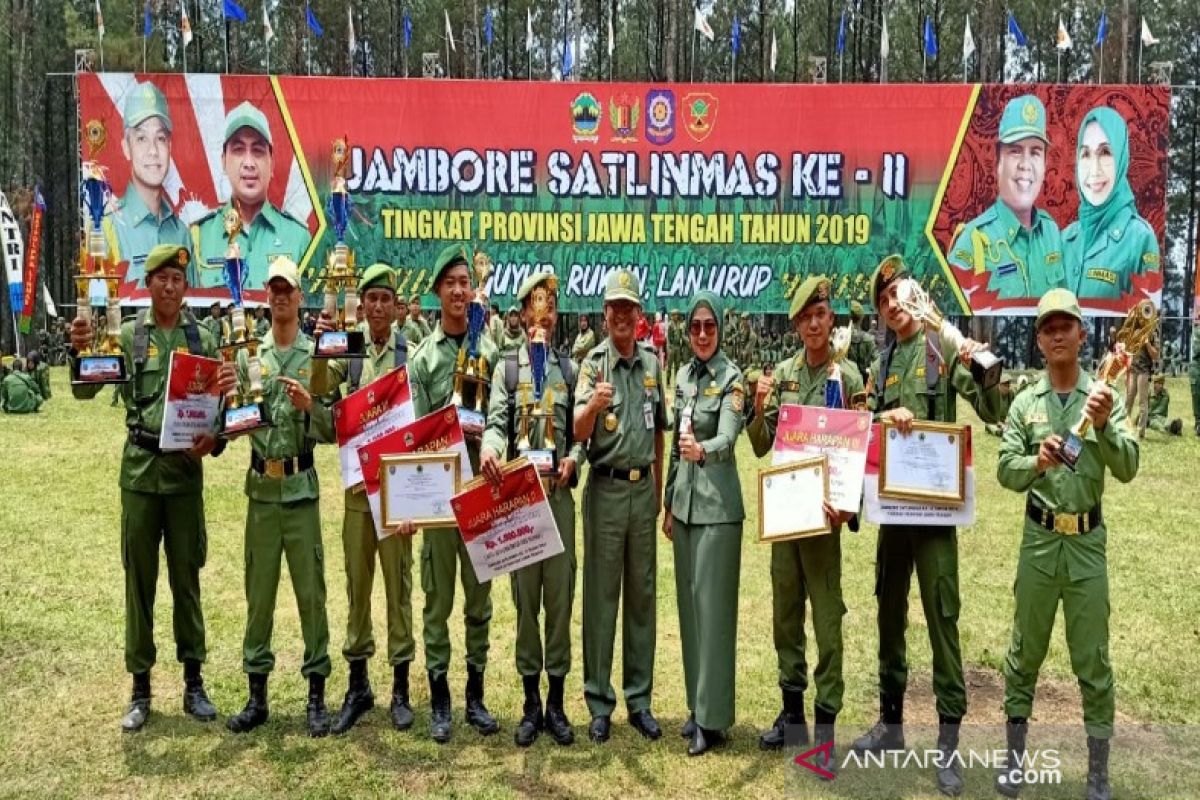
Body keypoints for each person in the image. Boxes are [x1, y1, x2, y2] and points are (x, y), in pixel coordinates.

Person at [850, 254, 1004, 796]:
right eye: (884, 302)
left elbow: (989, 406)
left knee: (942, 617)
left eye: (898, 295)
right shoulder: (883, 360)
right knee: (888, 613)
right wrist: (880, 418)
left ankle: (948, 746)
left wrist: (974, 356)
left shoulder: (941, 345)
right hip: (894, 515)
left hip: (937, 515)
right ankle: (891, 726)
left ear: (914, 293)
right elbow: (862, 425)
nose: (892, 306)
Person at [69, 244, 222, 732]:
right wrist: (80, 349)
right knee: (139, 583)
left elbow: (226, 405)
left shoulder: (204, 338)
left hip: (183, 478)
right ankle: (140, 688)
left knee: (187, 580)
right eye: (162, 279)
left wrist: (214, 439)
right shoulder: (129, 335)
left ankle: (194, 684)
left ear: (185, 285)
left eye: (178, 279)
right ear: (148, 284)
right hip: (139, 474)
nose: (171, 287)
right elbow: (84, 388)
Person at [995, 288, 1138, 800]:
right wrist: (1037, 461)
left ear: (1081, 334)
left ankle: (1098, 772)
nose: (1057, 335)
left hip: (1086, 545)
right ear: (1038, 340)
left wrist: (1102, 427)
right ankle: (1014, 761)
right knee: (1023, 655)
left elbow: (1128, 468)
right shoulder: (1025, 402)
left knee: (1093, 660)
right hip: (1038, 541)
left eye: (1066, 326)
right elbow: (1004, 469)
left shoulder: (1105, 397)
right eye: (1048, 328)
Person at [746, 277, 863, 774]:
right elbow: (759, 443)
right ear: (796, 326)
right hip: (788, 515)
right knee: (785, 615)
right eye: (804, 319)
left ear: (829, 318)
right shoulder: (786, 375)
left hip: (825, 522)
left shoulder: (849, 376)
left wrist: (849, 506)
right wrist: (758, 405)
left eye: (820, 315)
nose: (813, 325)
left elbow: (860, 448)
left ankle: (826, 729)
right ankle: (792, 717)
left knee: (828, 621)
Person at [222, 257, 334, 737]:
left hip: (302, 489)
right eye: (275, 289)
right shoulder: (250, 353)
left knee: (312, 595)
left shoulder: (316, 356)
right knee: (259, 594)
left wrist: (311, 408)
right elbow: (232, 420)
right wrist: (229, 398)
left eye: (288, 288)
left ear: (300, 294)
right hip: (263, 491)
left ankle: (315, 695)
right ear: (266, 297)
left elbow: (333, 426)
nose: (282, 296)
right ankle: (257, 695)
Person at [401, 243, 500, 743]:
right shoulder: (423, 359)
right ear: (439, 291)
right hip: (441, 496)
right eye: (451, 283)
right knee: (437, 599)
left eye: (466, 282)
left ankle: (475, 695)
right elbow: (416, 434)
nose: (460, 290)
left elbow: (503, 421)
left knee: (479, 601)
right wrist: (413, 504)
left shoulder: (490, 352)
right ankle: (440, 699)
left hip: (482, 490)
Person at [310, 264, 414, 735]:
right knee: (357, 586)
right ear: (362, 304)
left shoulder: (410, 352)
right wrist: (319, 347)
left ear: (395, 306)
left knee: (399, 587)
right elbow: (320, 391)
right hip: (357, 491)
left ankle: (400, 689)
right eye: (369, 298)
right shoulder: (348, 351)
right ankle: (358, 687)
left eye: (384, 299)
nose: (376, 307)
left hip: (396, 492)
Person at [481, 271, 582, 748]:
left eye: (550, 309)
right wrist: (491, 449)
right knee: (526, 606)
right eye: (533, 309)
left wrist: (572, 460)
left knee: (559, 604)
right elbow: (497, 423)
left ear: (555, 315)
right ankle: (529, 703)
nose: (542, 319)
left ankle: (557, 703)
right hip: (521, 502)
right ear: (521, 315)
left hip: (557, 501)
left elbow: (580, 437)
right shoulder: (508, 369)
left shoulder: (570, 369)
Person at [573, 269, 669, 744]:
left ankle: (640, 699)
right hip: (606, 489)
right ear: (605, 314)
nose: (623, 316)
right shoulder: (593, 365)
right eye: (615, 308)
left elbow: (658, 432)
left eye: (630, 308)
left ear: (639, 315)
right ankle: (598, 701)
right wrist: (592, 405)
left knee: (641, 596)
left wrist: (657, 483)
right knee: (601, 597)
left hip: (642, 491)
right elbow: (577, 431)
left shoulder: (652, 364)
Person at [663, 291, 746, 756]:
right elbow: (678, 444)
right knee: (690, 613)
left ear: (719, 329)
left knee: (714, 615)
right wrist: (669, 502)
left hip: (718, 509)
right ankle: (697, 706)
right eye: (695, 326)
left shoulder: (732, 378)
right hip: (687, 507)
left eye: (708, 327)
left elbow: (729, 436)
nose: (700, 334)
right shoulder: (682, 376)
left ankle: (713, 720)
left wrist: (705, 451)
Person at [947, 94, 1066, 300]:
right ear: (998, 162)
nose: (1025, 164)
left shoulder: (1052, 233)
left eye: (1035, 152)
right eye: (1015, 151)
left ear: (1045, 164)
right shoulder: (971, 241)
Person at [191, 102, 311, 290]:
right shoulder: (199, 236)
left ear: (271, 163)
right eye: (238, 150)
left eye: (257, 151)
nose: (249, 163)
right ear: (223, 161)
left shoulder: (298, 237)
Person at [1063, 107, 1161, 300]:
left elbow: (1145, 322)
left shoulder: (1139, 238)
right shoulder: (1064, 239)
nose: (1094, 169)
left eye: (1106, 152)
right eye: (1086, 154)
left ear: (1122, 158)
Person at [106, 81, 191, 286]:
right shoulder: (110, 229)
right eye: (142, 138)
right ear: (127, 147)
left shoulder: (181, 232)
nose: (153, 150)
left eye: (160, 138)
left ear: (170, 147)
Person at [1127, 320, 1159, 439]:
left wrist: (1147, 343)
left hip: (1144, 370)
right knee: (1128, 400)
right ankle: (1124, 427)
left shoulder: (1153, 333)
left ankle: (1141, 432)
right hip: (1133, 369)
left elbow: (1155, 355)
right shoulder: (1135, 330)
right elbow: (1129, 348)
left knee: (1142, 402)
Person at [848, 301, 877, 383]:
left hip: (846, 382)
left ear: (849, 317)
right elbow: (877, 361)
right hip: (864, 381)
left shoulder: (842, 338)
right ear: (862, 318)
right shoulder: (868, 339)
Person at [1190, 318, 1200, 437]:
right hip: (1197, 369)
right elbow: (1197, 350)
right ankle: (1198, 423)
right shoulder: (1197, 332)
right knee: (1197, 396)